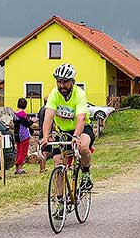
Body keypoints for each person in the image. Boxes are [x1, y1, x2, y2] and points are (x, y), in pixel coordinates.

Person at [41, 63, 95, 191]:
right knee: (57, 163)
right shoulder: (54, 94)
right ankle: (60, 201)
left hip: (82, 128)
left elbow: (81, 118)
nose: (61, 85)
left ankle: (86, 173)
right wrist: (45, 137)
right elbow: (48, 116)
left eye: (65, 82)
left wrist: (76, 136)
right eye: (59, 82)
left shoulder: (79, 94)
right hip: (63, 131)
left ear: (72, 81)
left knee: (82, 147)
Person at [13, 98, 34, 174]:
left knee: (18, 151)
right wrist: (33, 121)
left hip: (17, 134)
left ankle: (16, 168)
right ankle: (20, 168)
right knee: (23, 152)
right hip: (23, 135)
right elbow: (28, 123)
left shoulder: (15, 113)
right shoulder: (22, 114)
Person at [37, 96, 52, 173]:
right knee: (45, 151)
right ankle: (42, 168)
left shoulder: (41, 109)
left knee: (42, 150)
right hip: (45, 133)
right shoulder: (47, 110)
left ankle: (42, 168)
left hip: (41, 131)